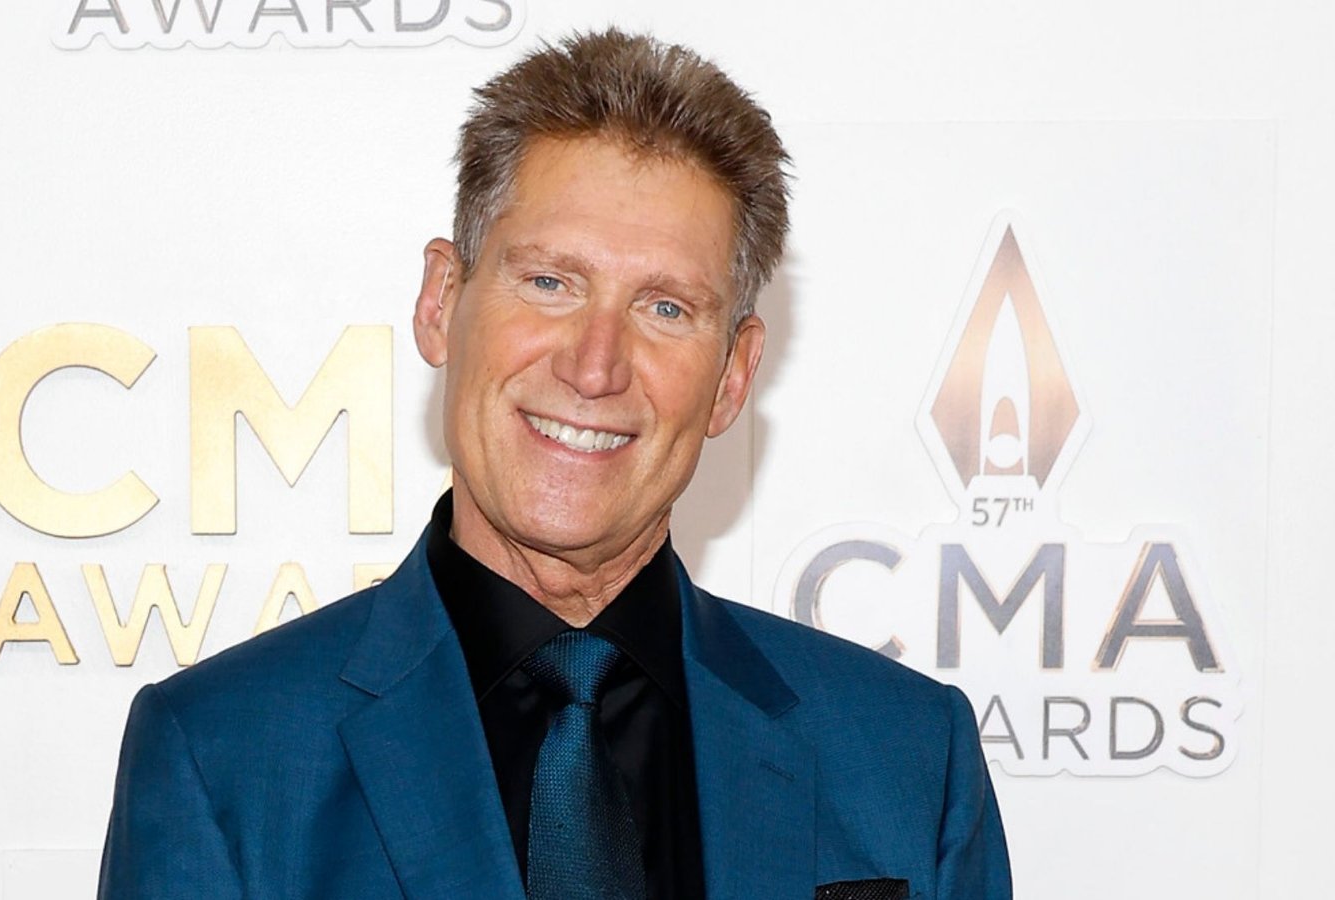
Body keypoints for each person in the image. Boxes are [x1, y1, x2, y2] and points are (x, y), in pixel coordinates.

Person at [98, 29, 1010, 900]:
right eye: (549, 283)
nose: (594, 365)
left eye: (664, 308)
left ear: (733, 376)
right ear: (441, 301)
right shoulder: (222, 755)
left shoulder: (906, 757)